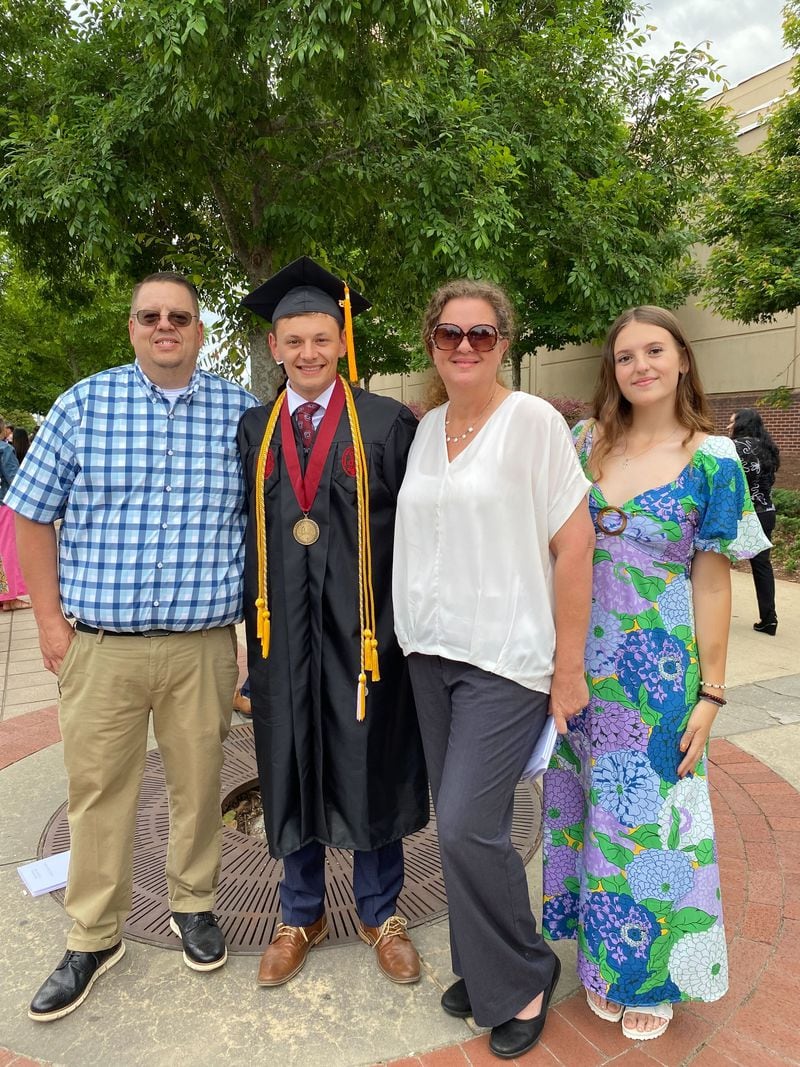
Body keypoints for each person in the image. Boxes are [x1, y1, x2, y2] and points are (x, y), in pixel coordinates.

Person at [6, 272, 257, 1022]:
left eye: (179, 316)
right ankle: (92, 934)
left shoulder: (240, 412)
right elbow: (32, 515)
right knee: (98, 792)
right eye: (150, 316)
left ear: (200, 331)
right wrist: (49, 622)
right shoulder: (83, 405)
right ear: (132, 328)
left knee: (198, 781)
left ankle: (195, 903)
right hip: (102, 645)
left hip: (202, 645)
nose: (164, 326)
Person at [541, 306, 770, 1042]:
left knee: (656, 829)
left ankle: (651, 974)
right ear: (611, 369)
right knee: (592, 818)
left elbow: (713, 580)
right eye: (625, 355)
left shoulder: (715, 458)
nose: (640, 365)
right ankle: (603, 961)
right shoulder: (584, 444)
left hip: (661, 674)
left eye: (654, 350)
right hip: (579, 666)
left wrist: (712, 691)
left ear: (680, 361)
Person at [392, 279, 595, 1059]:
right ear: (432, 342)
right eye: (451, 334)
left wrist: (566, 667)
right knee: (455, 826)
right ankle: (486, 963)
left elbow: (574, 546)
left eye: (482, 334)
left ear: (505, 342)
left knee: (474, 823)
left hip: (506, 657)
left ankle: (524, 972)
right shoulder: (427, 426)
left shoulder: (534, 423)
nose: (466, 347)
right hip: (431, 656)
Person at [238, 257, 429, 988]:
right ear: (276, 347)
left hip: (365, 633)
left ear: (342, 341)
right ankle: (302, 910)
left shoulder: (386, 422)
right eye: (295, 341)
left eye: (322, 338)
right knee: (290, 761)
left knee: (367, 760)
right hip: (281, 631)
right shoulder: (254, 428)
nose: (309, 352)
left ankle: (382, 912)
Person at [727, 408, 780, 635]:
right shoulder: (768, 447)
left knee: (716, 561)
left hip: (743, 514)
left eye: (731, 422)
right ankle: (769, 619)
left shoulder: (735, 447)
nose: (728, 426)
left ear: (741, 424)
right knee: (762, 565)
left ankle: (708, 613)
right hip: (767, 511)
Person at [0, 418, 29, 611]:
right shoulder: (4, 449)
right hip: (3, 505)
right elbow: (14, 479)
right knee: (6, 550)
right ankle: (8, 597)